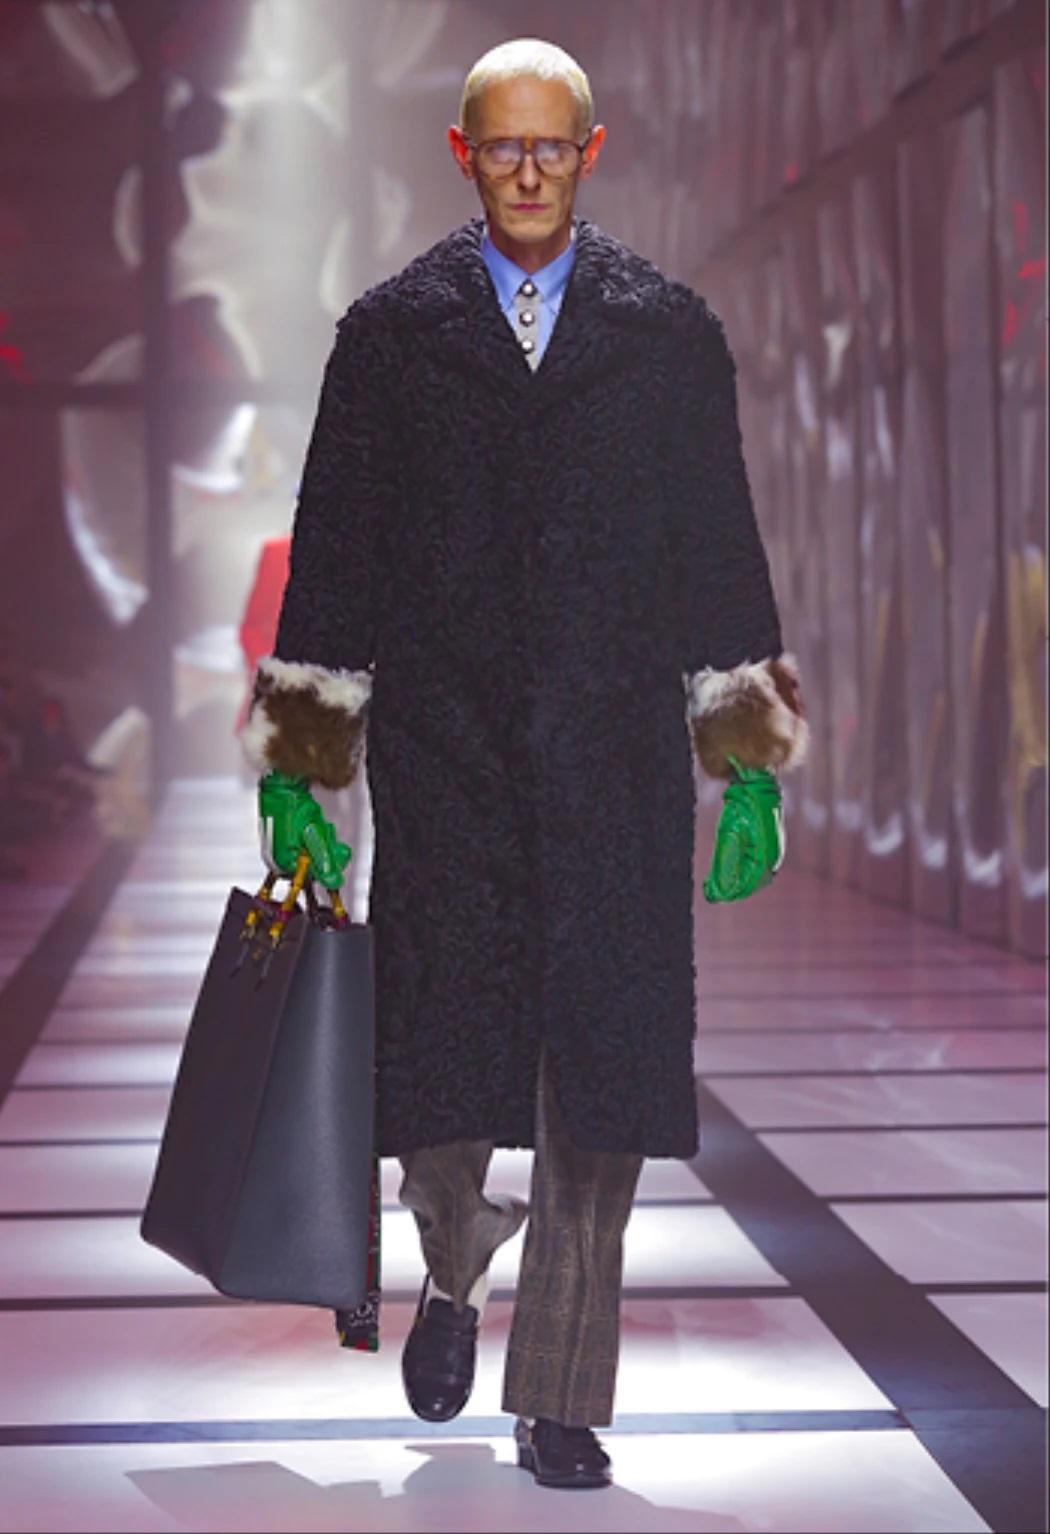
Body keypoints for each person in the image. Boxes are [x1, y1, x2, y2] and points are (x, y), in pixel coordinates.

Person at [241, 36, 808, 1491]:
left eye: (555, 144)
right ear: (463, 154)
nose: (532, 169)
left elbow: (716, 542)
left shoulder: (666, 333)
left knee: (597, 1082)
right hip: (451, 757)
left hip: (614, 757)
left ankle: (559, 1395)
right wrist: (302, 762)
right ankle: (451, 1258)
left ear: (591, 152)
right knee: (439, 1069)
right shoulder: (390, 336)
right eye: (505, 145)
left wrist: (745, 758)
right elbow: (338, 549)